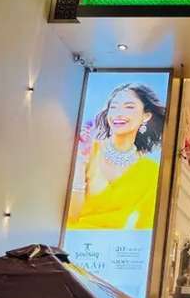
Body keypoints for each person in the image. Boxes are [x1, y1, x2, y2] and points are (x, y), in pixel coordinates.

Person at [67, 82, 166, 230]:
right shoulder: (87, 150)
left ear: (146, 116)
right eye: (113, 107)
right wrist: (80, 163)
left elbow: (144, 227)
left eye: (129, 107)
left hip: (119, 243)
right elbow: (70, 217)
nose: (118, 113)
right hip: (74, 239)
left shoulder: (151, 171)